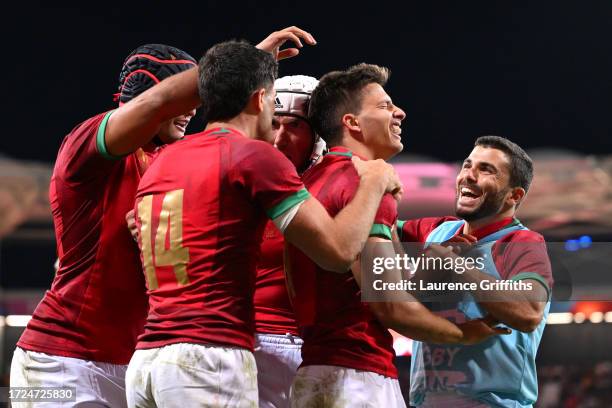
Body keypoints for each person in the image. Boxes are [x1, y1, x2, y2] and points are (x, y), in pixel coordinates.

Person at [125, 39, 403, 407]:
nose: (278, 135)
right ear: (259, 101)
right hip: (228, 354)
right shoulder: (268, 166)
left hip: (151, 355)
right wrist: (374, 181)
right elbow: (364, 275)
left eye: (294, 125)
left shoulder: (170, 158)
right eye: (274, 114)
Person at [286, 64, 506, 408]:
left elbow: (360, 283)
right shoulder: (367, 186)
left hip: (314, 373)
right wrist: (467, 334)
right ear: (352, 123)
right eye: (385, 106)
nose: (399, 112)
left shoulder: (309, 183)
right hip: (356, 379)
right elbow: (391, 306)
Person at [10, 43, 198, 407]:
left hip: (134, 364)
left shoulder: (172, 162)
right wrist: (237, 66)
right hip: (55, 364)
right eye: (184, 96)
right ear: (149, 98)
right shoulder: (85, 145)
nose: (192, 109)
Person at [399, 136, 553, 407]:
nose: (468, 176)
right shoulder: (438, 231)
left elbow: (528, 313)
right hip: (426, 401)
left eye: (486, 170)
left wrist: (457, 266)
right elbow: (377, 223)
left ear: (514, 195)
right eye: (467, 165)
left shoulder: (521, 243)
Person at [254, 74, 323, 408]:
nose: (279, 138)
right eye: (273, 124)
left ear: (317, 137)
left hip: (302, 349)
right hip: (238, 346)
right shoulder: (241, 185)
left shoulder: (338, 188)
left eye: (294, 126)